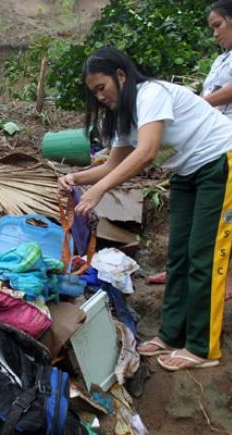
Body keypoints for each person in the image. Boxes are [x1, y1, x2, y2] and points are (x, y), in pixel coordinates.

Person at [58, 47, 232, 371]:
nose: (100, 97)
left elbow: (148, 151)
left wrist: (97, 191)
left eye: (102, 87)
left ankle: (203, 347)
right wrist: (75, 178)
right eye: (94, 92)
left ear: (121, 76)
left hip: (220, 162)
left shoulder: (151, 94)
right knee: (178, 256)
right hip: (187, 172)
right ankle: (171, 335)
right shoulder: (125, 118)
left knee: (204, 256)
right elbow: (112, 164)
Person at [203, 0, 232, 118]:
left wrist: (200, 103)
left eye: (218, 25)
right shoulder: (220, 60)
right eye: (212, 30)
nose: (215, 34)